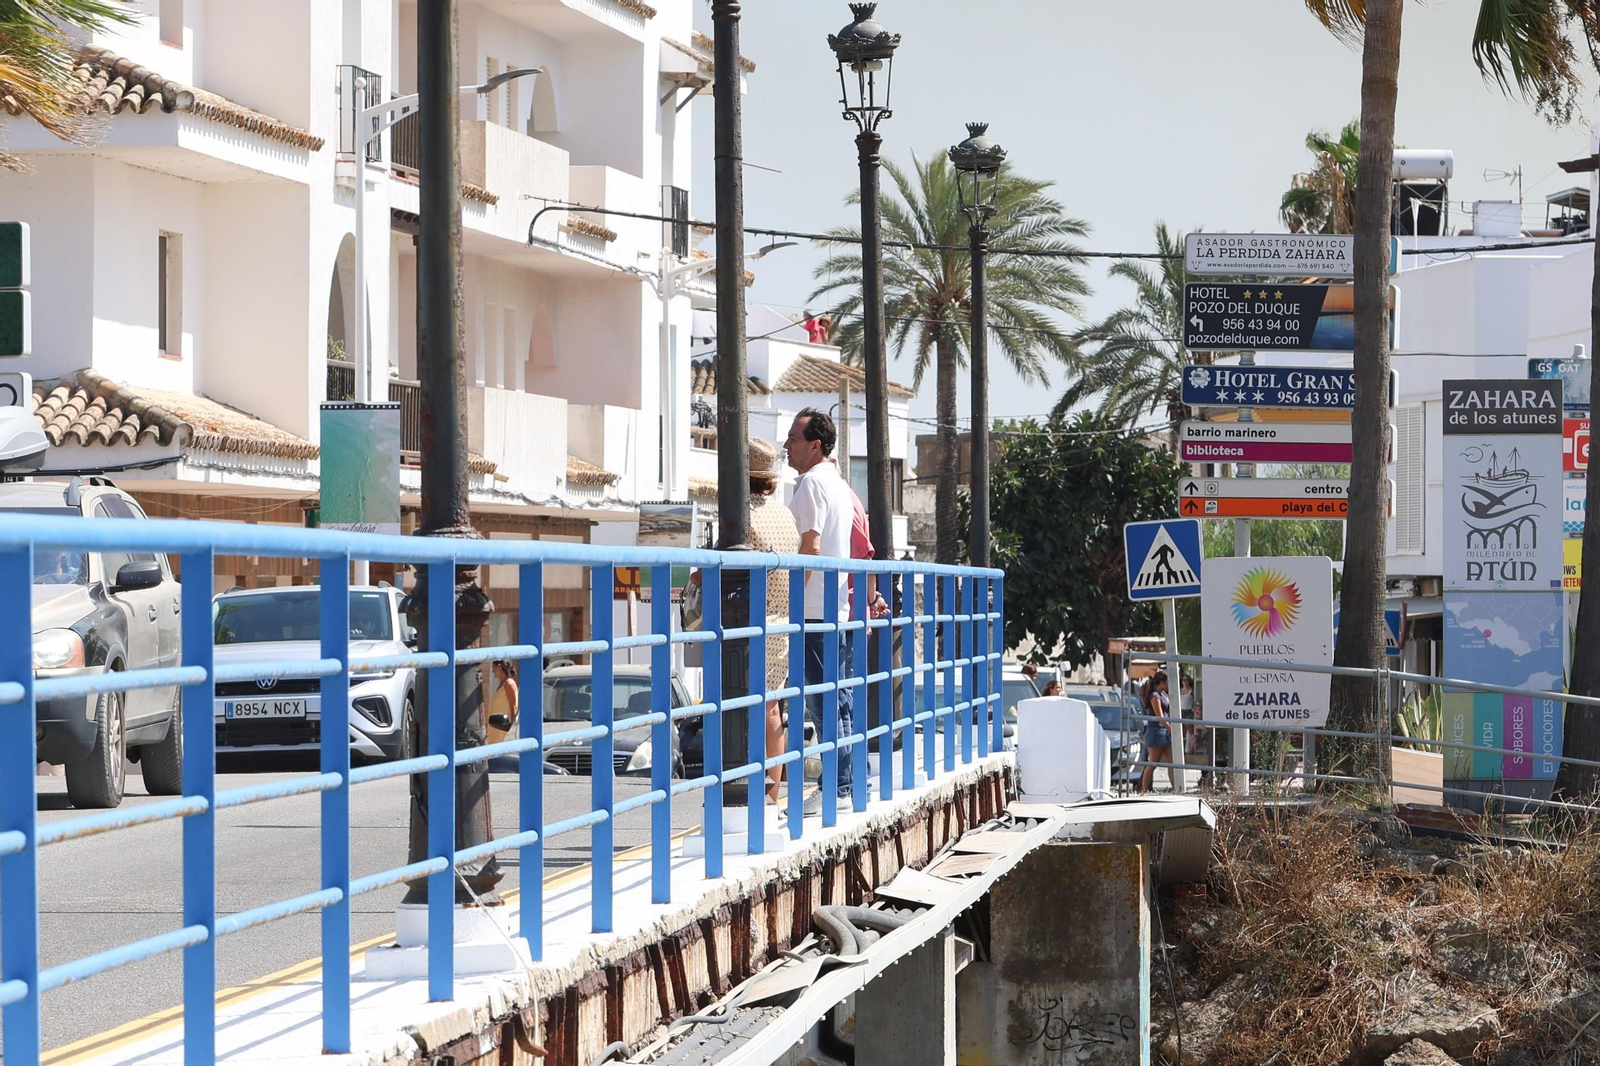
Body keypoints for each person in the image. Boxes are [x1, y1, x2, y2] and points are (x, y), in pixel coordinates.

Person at [785, 407, 858, 799]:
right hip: (836, 608)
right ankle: (848, 780)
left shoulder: (811, 484)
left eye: (793, 440)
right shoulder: (838, 483)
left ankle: (838, 786)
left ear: (815, 445)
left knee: (822, 703)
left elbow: (810, 547)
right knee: (839, 701)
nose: (786, 446)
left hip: (812, 611)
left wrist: (788, 603)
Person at [746, 439, 801, 803]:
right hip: (784, 617)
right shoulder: (784, 514)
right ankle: (773, 792)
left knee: (755, 707)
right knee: (774, 706)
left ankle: (760, 790)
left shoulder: (744, 514)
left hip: (753, 618)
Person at [1138, 670, 1176, 793]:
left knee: (1172, 763)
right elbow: (1160, 716)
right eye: (1167, 682)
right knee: (1153, 763)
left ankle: (1177, 788)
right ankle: (1143, 789)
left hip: (1164, 731)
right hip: (1157, 731)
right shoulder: (1155, 696)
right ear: (1162, 682)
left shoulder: (1163, 694)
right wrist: (1172, 729)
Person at [487, 660, 519, 745]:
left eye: (494, 668)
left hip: (503, 729)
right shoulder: (501, 684)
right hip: (495, 727)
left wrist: (511, 728)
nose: (493, 671)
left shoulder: (509, 684)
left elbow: (514, 707)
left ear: (499, 667)